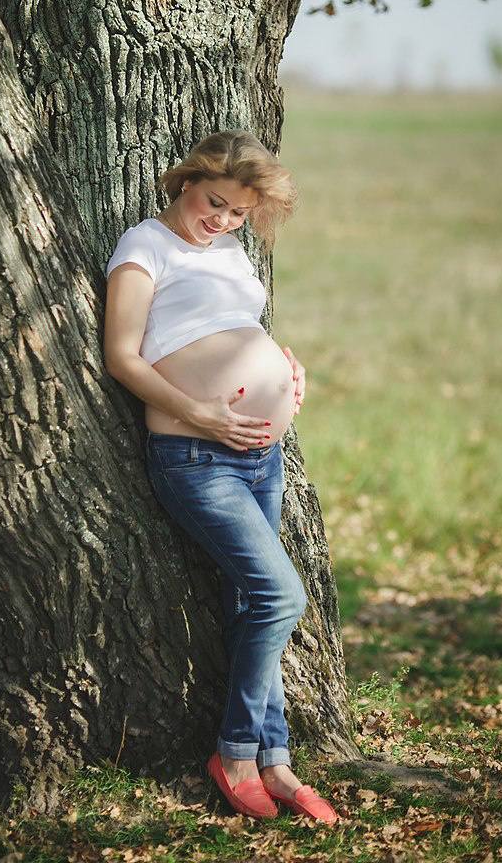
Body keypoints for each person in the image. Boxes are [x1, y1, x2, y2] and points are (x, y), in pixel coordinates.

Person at [103, 129, 339, 825]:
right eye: (214, 203)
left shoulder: (233, 251)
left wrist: (284, 374)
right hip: (196, 458)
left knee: (250, 605)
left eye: (239, 212)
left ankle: (277, 762)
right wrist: (203, 414)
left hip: (259, 456)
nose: (223, 220)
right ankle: (236, 752)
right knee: (279, 597)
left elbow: (237, 328)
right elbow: (123, 356)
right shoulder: (144, 246)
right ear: (184, 182)